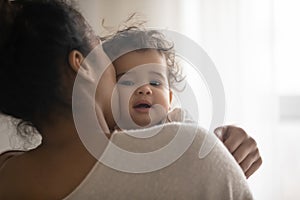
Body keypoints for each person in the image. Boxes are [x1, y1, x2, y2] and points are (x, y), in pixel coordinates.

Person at [0, 0, 253, 199]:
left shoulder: (8, 176)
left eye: (155, 81)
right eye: (99, 48)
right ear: (82, 64)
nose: (142, 88)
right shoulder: (189, 151)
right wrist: (220, 158)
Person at [103, 27, 262, 178]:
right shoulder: (108, 135)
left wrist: (223, 142)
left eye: (155, 83)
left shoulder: (178, 121)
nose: (145, 89)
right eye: (128, 82)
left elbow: (206, 150)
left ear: (170, 99)